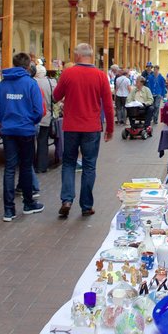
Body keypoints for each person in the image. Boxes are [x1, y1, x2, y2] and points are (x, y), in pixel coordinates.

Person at [53, 43, 114, 218]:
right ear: (91, 56)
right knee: (89, 165)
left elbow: (56, 96)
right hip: (92, 127)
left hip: (71, 126)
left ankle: (66, 199)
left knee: (69, 163)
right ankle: (86, 206)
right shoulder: (101, 76)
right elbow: (108, 106)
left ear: (78, 56)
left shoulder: (68, 73)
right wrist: (109, 128)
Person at [0, 52, 45, 221]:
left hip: (8, 131)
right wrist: (31, 122)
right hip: (26, 131)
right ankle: (28, 203)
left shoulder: (3, 84)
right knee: (26, 166)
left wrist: (0, 121)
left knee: (10, 168)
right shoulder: (31, 84)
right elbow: (39, 110)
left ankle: (8, 210)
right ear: (29, 66)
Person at [33, 64, 56, 172]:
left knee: (30, 142)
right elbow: (55, 99)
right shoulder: (51, 83)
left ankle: (30, 165)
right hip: (46, 116)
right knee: (43, 142)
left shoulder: (32, 82)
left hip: (32, 118)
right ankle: (42, 166)